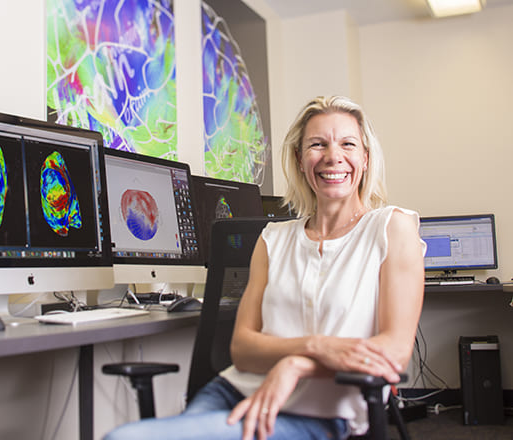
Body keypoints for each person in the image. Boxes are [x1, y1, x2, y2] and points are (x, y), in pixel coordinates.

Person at [103, 95, 426, 440]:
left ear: (364, 158)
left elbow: (393, 353)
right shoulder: (273, 239)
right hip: (233, 391)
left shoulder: (392, 227)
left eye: (348, 144)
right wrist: (316, 347)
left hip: (321, 412)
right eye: (317, 144)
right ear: (301, 161)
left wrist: (295, 365)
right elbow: (242, 350)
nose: (333, 156)